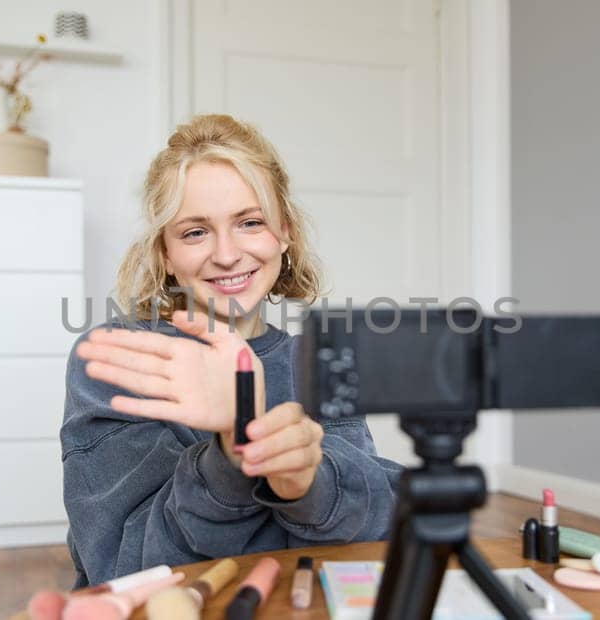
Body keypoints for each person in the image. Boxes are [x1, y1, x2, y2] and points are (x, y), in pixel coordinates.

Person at [60, 114, 403, 587]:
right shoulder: (120, 359)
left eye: (249, 222)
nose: (226, 254)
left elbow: (377, 527)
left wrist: (305, 481)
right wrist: (232, 450)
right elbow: (126, 564)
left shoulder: (316, 360)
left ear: (284, 234)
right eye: (195, 232)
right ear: (165, 254)